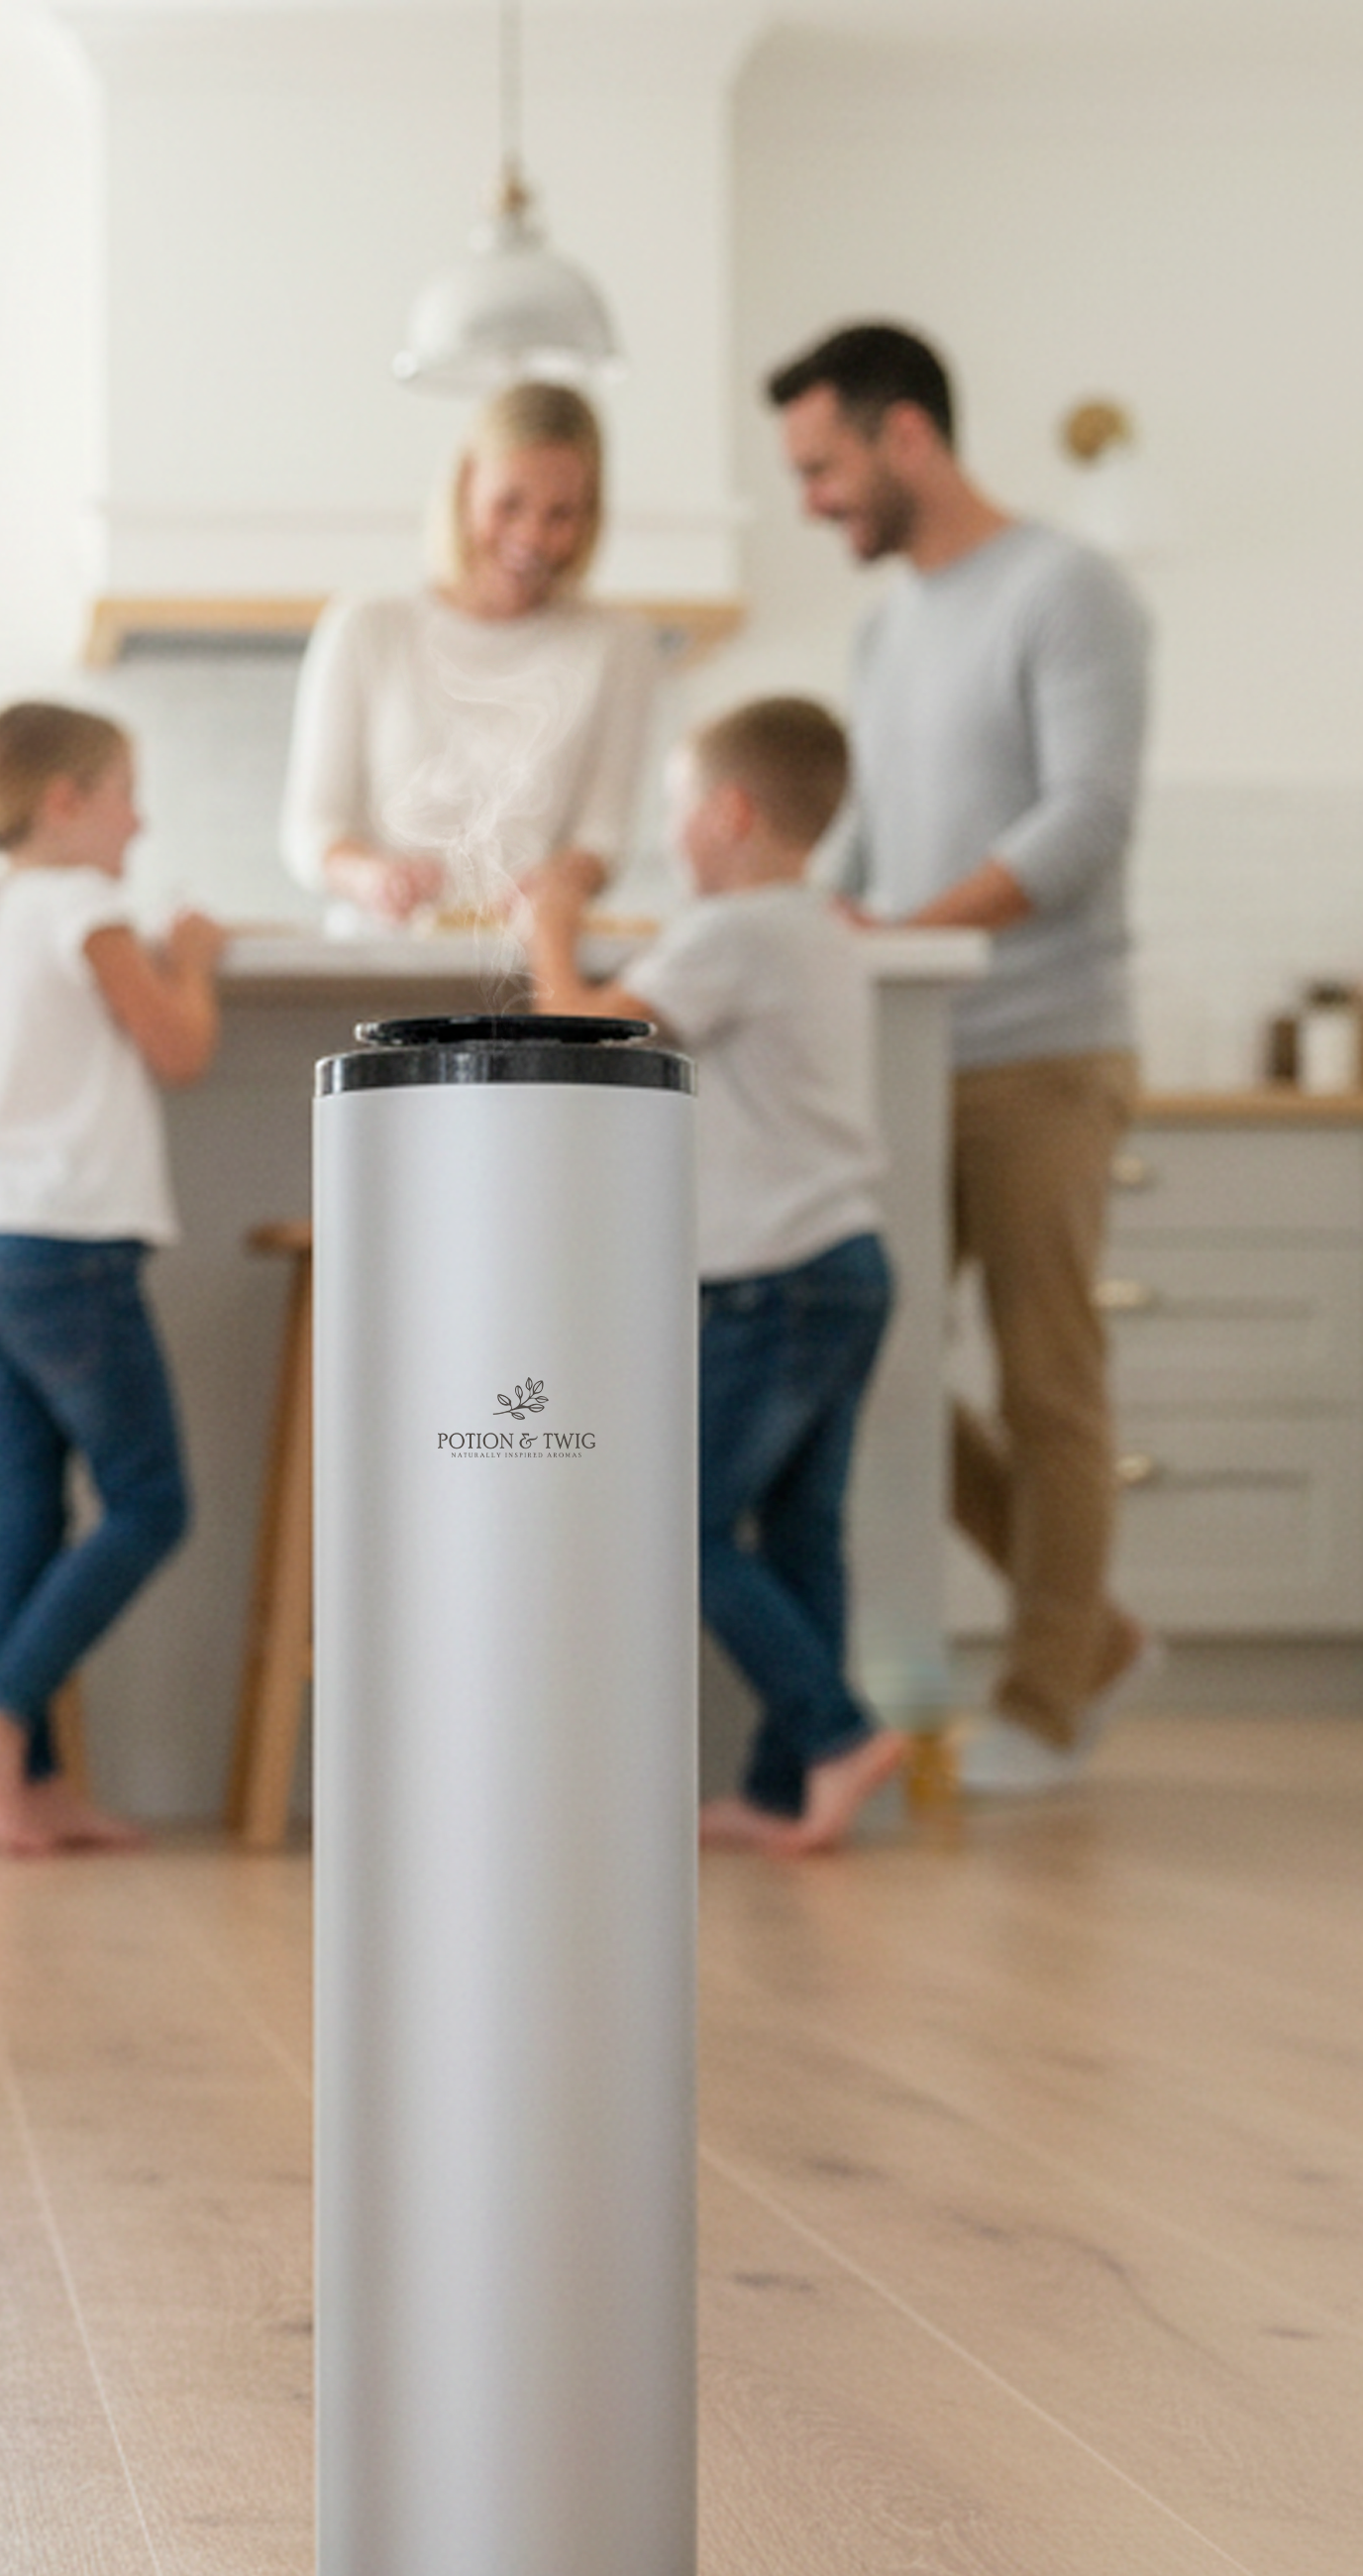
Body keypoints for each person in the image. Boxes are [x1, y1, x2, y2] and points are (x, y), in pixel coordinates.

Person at [764, 320, 1158, 1794]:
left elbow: (1082, 819)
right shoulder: (884, 631)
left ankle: (1046, 1698)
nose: (811, 500)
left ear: (905, 435)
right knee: (868, 1361)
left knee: (1048, 1382)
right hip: (904, 1052)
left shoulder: (1067, 590)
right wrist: (807, 922)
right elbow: (864, 848)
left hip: (1042, 1048)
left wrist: (906, 934)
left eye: (820, 467)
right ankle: (1093, 1632)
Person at [530, 698, 906, 1857]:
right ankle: (787, 1786)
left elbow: (585, 1035)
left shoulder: (732, 932)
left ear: (728, 813)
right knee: (798, 1537)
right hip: (841, 1263)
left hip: (770, 1279)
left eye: (674, 807)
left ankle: (835, 1735)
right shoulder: (812, 928)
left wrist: (547, 920)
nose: (667, 832)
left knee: (666, 1520)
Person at [0, 701, 223, 1855]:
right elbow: (178, 1049)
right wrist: (193, 962)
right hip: (66, 1254)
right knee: (150, 1502)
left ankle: (26, 1786)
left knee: (25, 1517)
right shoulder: (85, 906)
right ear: (65, 802)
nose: (141, 820)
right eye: (127, 793)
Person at [280, 379, 659, 932]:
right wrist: (372, 878)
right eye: (510, 505)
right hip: (380, 958)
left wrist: (561, 882)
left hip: (530, 962)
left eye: (560, 514)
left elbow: (602, 837)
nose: (532, 536)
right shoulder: (367, 628)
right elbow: (313, 830)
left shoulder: (617, 646)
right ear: (465, 486)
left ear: (590, 516)